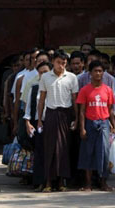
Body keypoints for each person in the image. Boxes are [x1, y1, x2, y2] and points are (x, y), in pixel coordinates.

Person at [37, 49, 79, 192]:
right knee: (50, 148)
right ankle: (48, 181)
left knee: (63, 147)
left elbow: (74, 100)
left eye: (64, 63)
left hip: (65, 114)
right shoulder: (45, 77)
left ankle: (61, 181)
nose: (61, 66)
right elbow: (41, 99)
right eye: (58, 63)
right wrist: (39, 120)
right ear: (53, 62)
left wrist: (77, 118)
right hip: (50, 113)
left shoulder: (72, 77)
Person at [77, 60, 115, 192]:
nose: (98, 73)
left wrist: (113, 125)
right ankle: (88, 183)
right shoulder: (84, 90)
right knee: (88, 153)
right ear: (90, 73)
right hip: (89, 122)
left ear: (103, 73)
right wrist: (82, 128)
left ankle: (103, 182)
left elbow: (110, 109)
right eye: (95, 71)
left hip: (104, 123)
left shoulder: (108, 90)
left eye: (100, 71)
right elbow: (81, 111)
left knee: (104, 152)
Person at [23, 60, 52, 191]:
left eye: (45, 72)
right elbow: (28, 110)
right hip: (38, 123)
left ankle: (54, 182)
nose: (43, 75)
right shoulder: (34, 89)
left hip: (53, 122)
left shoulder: (55, 87)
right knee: (40, 152)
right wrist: (28, 123)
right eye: (40, 73)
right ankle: (40, 181)